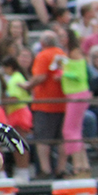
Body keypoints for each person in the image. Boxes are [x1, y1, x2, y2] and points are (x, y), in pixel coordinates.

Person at [20, 31, 66, 178]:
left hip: (45, 103)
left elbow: (40, 76)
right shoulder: (62, 54)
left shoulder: (43, 55)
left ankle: (45, 170)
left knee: (42, 139)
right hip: (62, 103)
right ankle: (61, 169)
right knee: (62, 139)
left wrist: (28, 86)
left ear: (43, 43)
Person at [59, 29, 91, 178]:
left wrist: (63, 73)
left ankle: (78, 166)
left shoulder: (74, 52)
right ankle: (83, 165)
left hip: (77, 94)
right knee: (75, 130)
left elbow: (80, 75)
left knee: (69, 130)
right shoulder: (70, 53)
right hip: (75, 94)